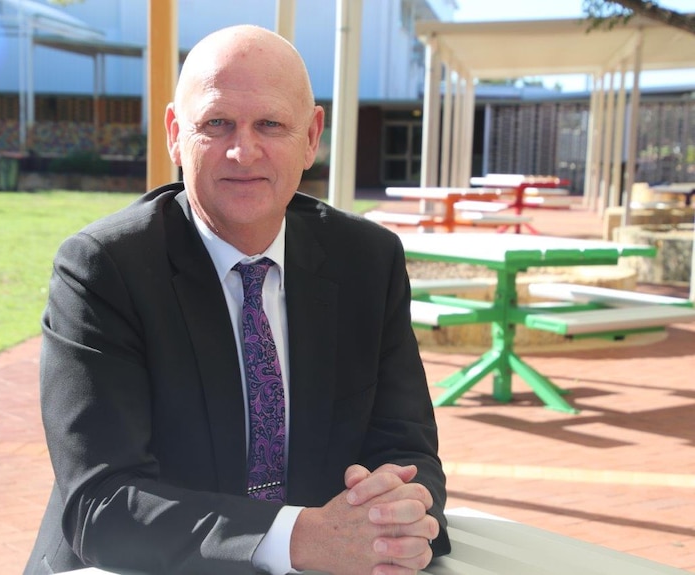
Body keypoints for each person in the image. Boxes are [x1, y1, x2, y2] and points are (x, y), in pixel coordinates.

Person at [25, 24, 449, 575]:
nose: (243, 150)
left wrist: (400, 509)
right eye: (216, 122)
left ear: (312, 137)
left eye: (270, 124)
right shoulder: (105, 268)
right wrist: (298, 539)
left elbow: (408, 449)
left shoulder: (367, 260)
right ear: (176, 134)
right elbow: (101, 503)